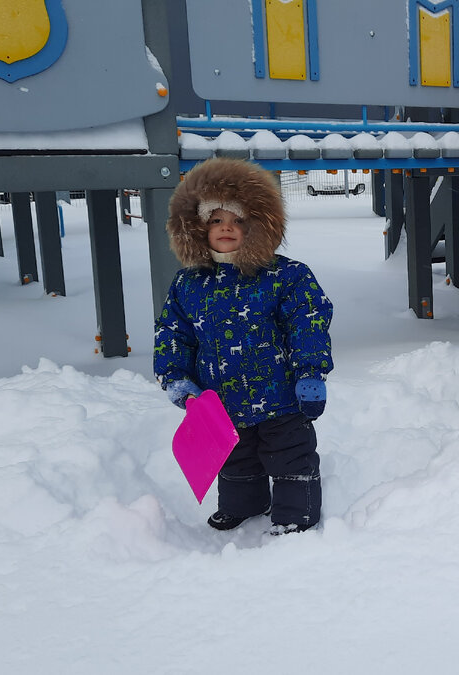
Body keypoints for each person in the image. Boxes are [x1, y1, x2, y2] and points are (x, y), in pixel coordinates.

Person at [154, 157, 333, 535]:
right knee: (235, 459)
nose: (227, 228)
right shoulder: (189, 284)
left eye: (237, 220)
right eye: (216, 220)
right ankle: (244, 504)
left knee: (290, 456)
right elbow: (173, 331)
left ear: (257, 225)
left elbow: (309, 320)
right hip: (221, 401)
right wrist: (174, 377)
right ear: (197, 227)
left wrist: (311, 373)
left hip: (282, 397)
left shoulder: (285, 275)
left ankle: (294, 514)